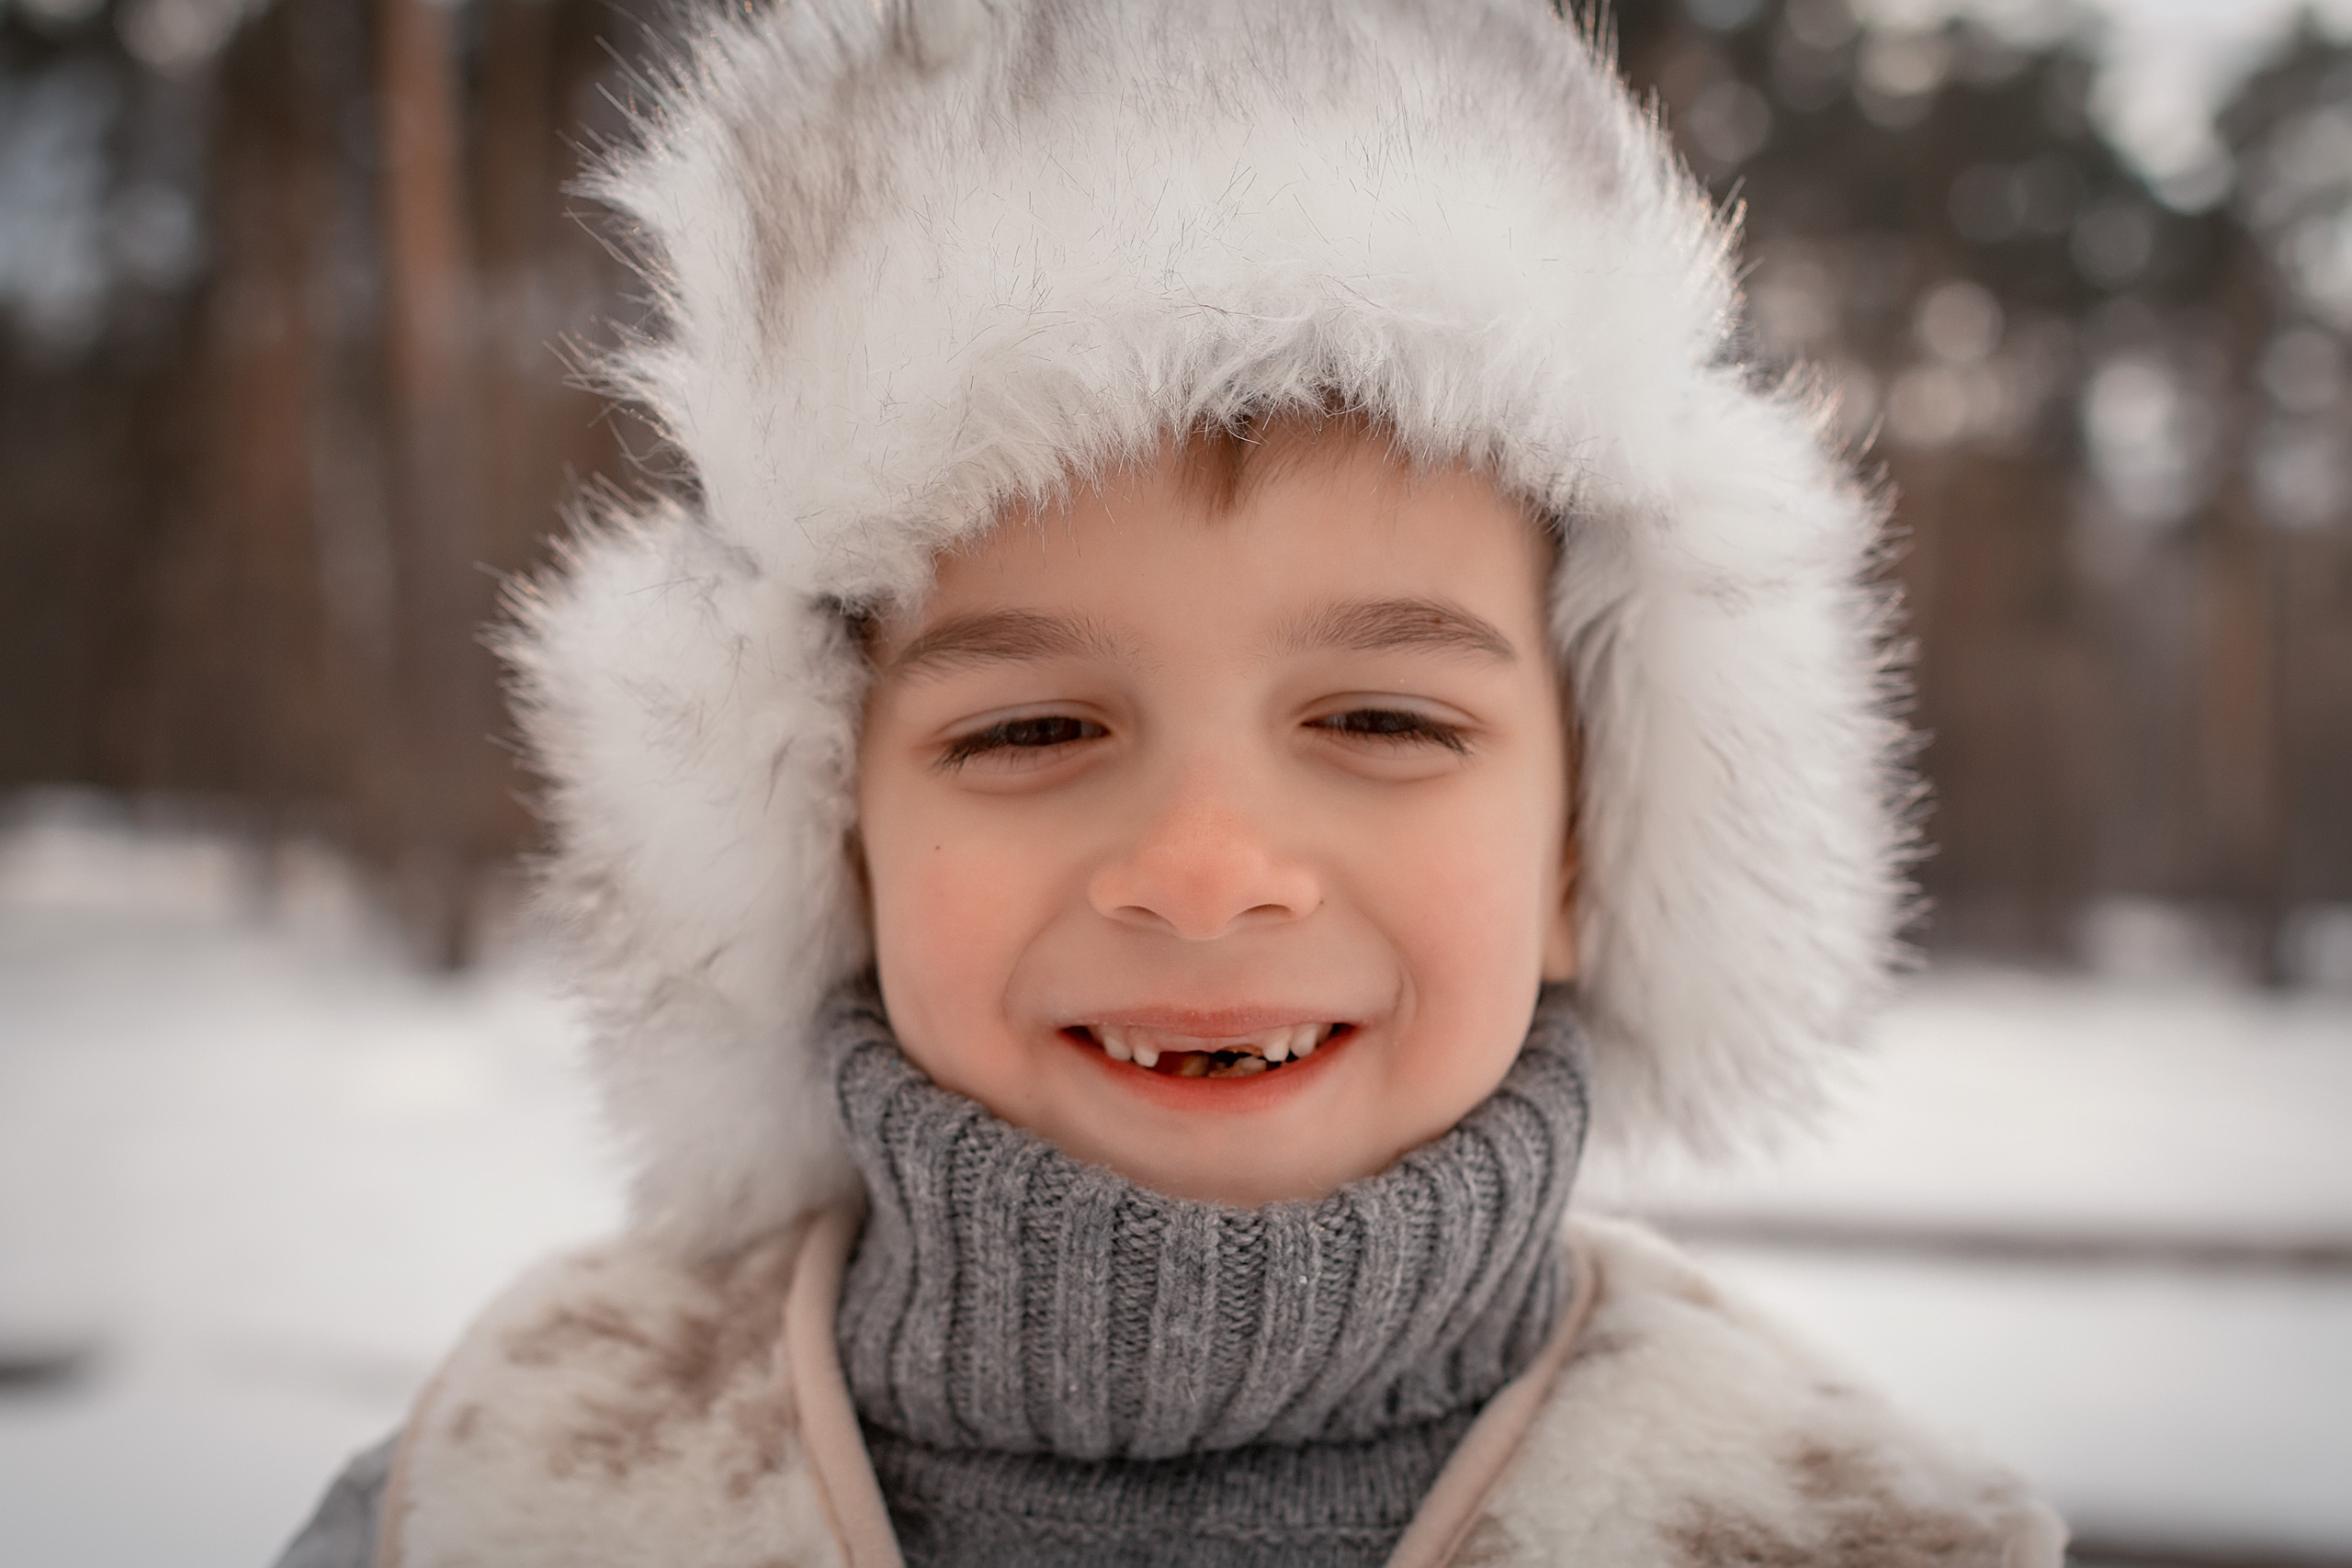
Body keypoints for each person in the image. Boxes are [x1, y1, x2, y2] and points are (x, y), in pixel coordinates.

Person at [277, 1, 2068, 1563]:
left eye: (1381, 721)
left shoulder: (1836, 1530)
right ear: (825, 835)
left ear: (1589, 846)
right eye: (1028, 729)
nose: (1205, 871)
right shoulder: (511, 1483)